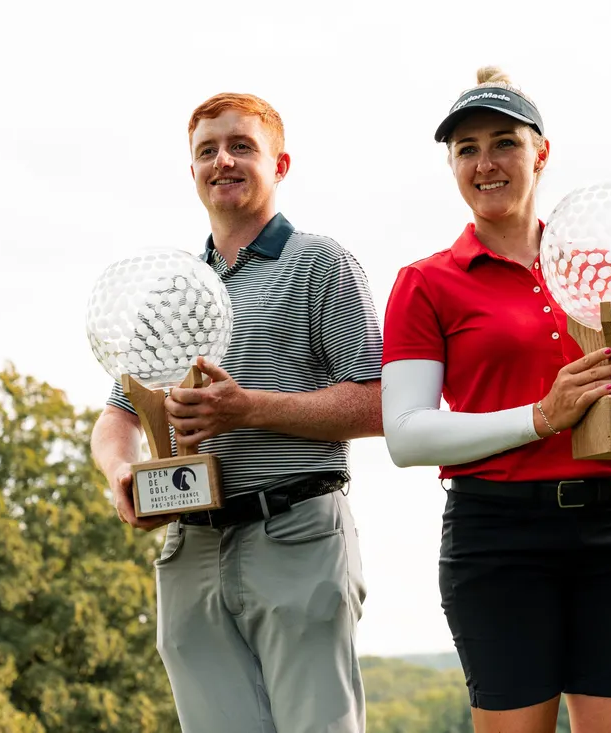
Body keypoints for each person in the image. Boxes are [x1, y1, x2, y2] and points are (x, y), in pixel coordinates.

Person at [380, 67, 611, 733]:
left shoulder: (597, 267)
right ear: (453, 165)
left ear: (540, 152)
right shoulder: (426, 282)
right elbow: (405, 434)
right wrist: (542, 416)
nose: (486, 163)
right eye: (467, 149)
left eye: (503, 143)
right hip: (497, 540)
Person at [90, 92, 383, 733]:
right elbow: (119, 417)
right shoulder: (171, 290)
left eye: (241, 146)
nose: (222, 160)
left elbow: (377, 402)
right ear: (191, 170)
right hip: (189, 546)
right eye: (206, 151)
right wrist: (120, 474)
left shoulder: (321, 262)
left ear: (280, 164)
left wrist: (246, 409)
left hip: (295, 534)